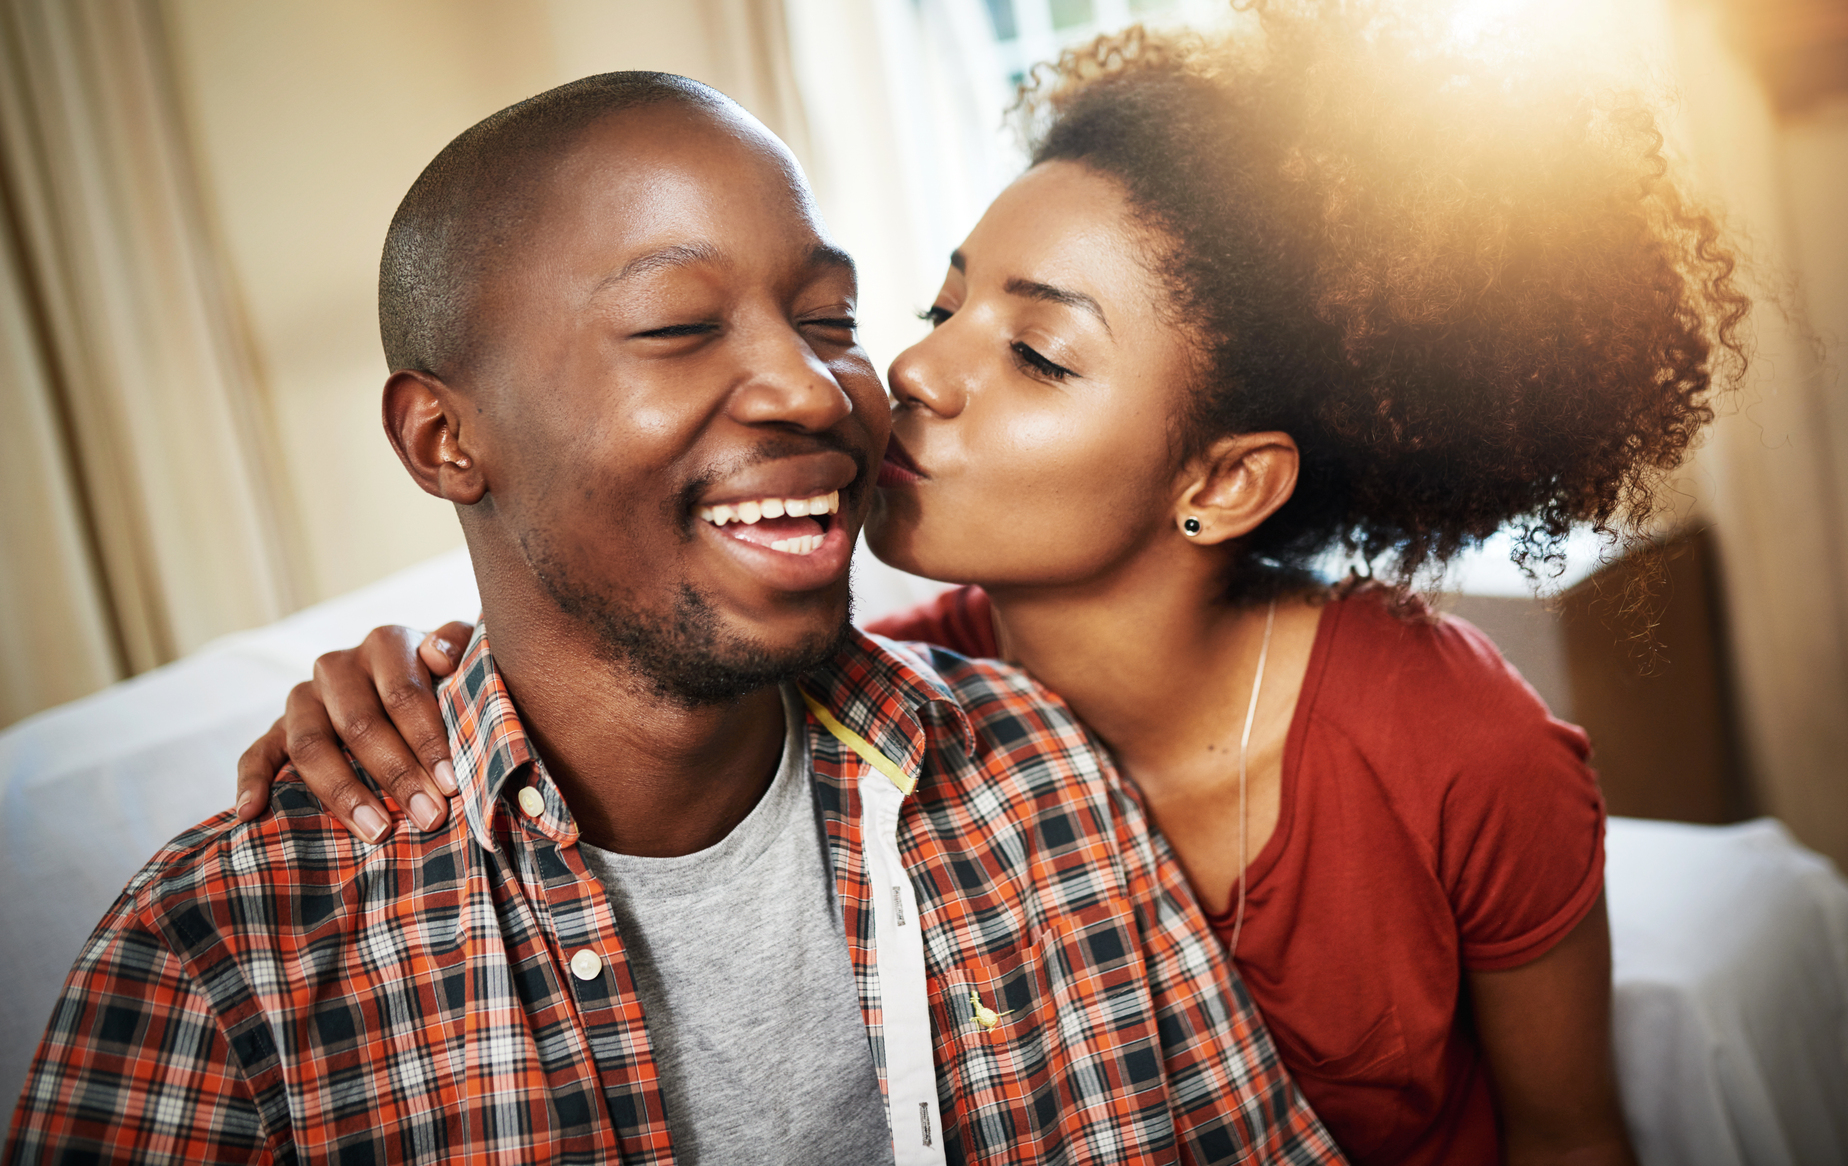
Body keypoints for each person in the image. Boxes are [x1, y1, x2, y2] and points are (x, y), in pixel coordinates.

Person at [236, 3, 1750, 1164]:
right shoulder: (893, 704)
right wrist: (395, 684)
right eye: (937, 301)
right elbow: (628, 654)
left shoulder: (1452, 747)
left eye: (1034, 351)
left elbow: (1570, 1138)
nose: (902, 374)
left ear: (1221, 482)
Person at [5, 73, 1342, 1166]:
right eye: (677, 324)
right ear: (442, 436)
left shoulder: (1032, 776)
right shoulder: (219, 966)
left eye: (831, 317)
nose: (816, 391)